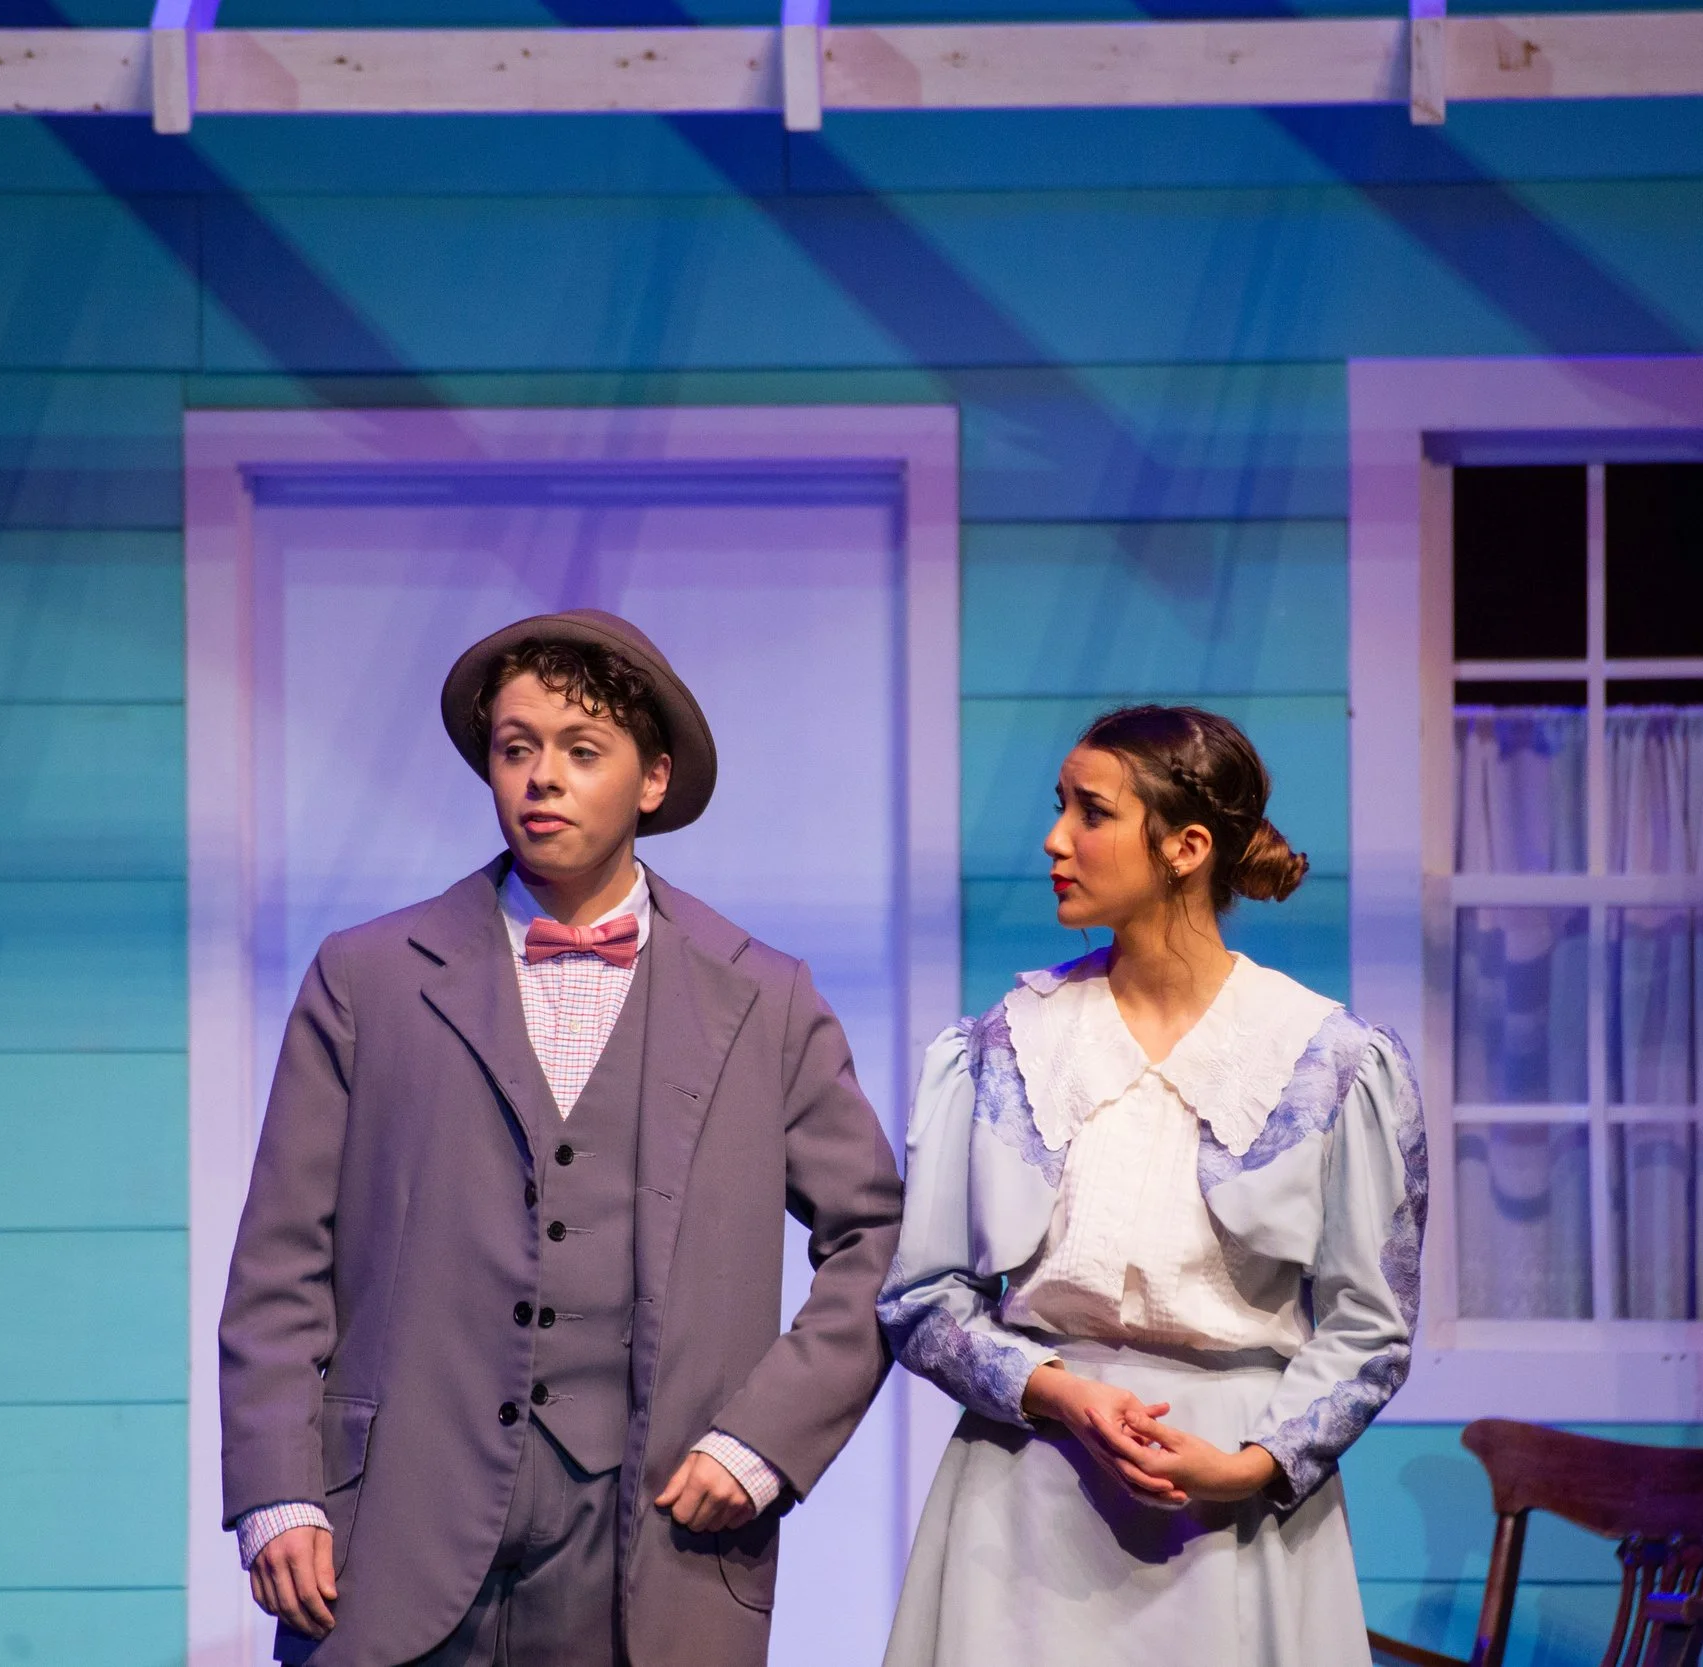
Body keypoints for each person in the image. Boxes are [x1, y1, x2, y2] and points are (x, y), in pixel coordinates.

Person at [220, 609, 904, 1667]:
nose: (541, 776)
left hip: (650, 1542)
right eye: (516, 747)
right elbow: (281, 1255)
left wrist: (765, 1437)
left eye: (581, 751)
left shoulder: (762, 996)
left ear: (651, 780)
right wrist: (275, 1486)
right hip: (390, 1530)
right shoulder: (369, 977)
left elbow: (879, 1238)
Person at [878, 704, 1428, 1667]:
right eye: (1062, 807)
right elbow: (923, 1298)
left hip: (1229, 1509)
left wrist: (1251, 1464)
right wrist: (1058, 1391)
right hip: (1026, 1496)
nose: (1055, 838)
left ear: (1186, 846)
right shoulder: (1005, 1046)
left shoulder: (1324, 1062)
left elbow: (1369, 1327)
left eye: (1091, 812)